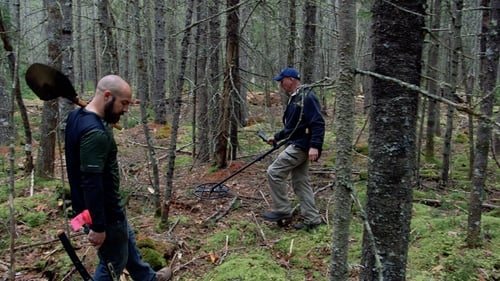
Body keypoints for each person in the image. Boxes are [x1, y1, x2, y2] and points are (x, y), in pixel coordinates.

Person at [65, 75, 172, 281]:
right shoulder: (95, 134)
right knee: (112, 263)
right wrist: (98, 226)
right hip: (103, 212)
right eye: (123, 103)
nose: (125, 109)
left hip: (92, 209)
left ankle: (148, 278)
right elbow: (92, 183)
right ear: (107, 96)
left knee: (126, 240)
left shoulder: (77, 117)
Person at [262, 67, 325, 230]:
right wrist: (276, 137)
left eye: (282, 80)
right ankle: (312, 219)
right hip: (297, 143)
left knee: (274, 172)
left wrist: (315, 146)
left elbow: (318, 122)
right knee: (300, 182)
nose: (281, 84)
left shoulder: (307, 97)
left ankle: (283, 210)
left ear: (291, 79)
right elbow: (293, 126)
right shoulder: (295, 98)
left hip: (301, 146)